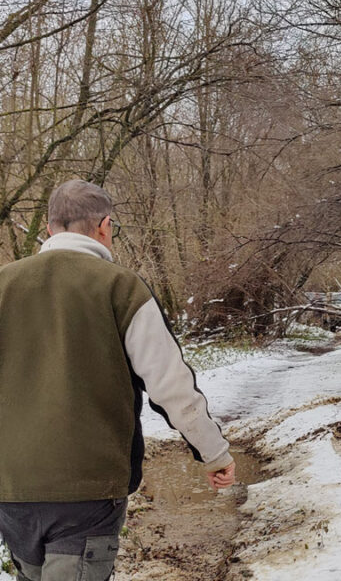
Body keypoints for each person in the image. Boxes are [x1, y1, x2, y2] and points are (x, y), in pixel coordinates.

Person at [0, 180, 235, 581]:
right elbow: (170, 385)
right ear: (105, 225)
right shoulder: (121, 287)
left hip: (11, 490)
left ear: (51, 227)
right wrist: (213, 453)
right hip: (88, 490)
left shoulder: (4, 284)